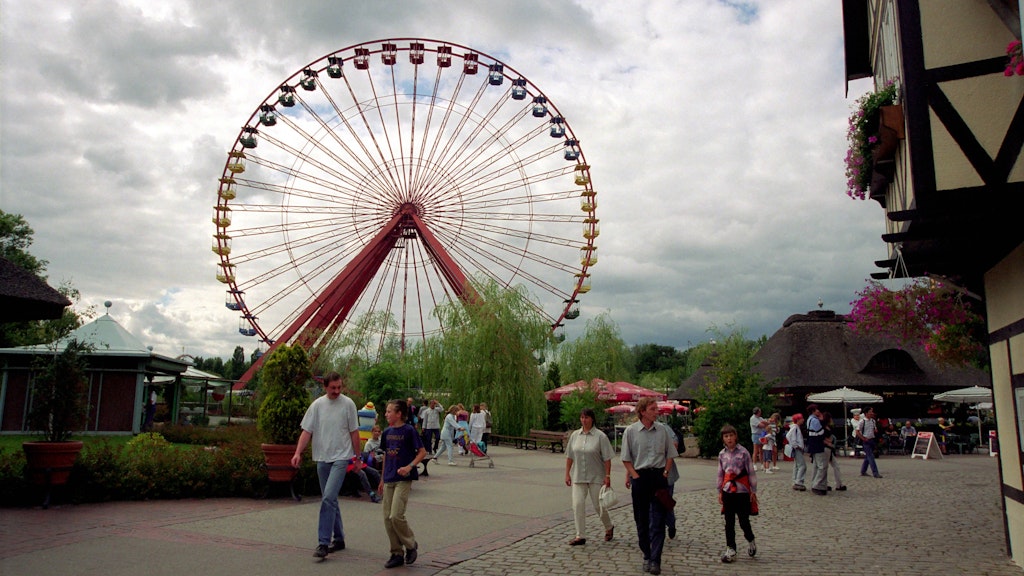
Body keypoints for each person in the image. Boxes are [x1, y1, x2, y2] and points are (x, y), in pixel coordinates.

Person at [291, 372, 361, 559]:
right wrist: (298, 452)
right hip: (322, 457)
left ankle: (323, 542)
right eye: (333, 388)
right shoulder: (317, 406)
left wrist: (358, 458)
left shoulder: (348, 405)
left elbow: (355, 432)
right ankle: (339, 538)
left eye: (339, 387)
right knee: (330, 499)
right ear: (325, 387)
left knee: (328, 497)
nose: (337, 391)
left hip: (341, 456)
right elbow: (307, 431)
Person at [621, 397, 678, 576]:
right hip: (640, 476)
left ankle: (656, 559)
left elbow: (671, 454)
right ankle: (646, 553)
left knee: (659, 520)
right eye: (653, 409)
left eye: (656, 408)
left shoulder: (662, 430)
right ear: (643, 411)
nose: (656, 411)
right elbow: (626, 457)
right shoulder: (630, 431)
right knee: (641, 520)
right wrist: (635, 475)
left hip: (659, 476)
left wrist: (666, 473)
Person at [377, 399, 427, 569]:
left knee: (396, 516)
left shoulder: (409, 431)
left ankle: (411, 544)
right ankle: (396, 552)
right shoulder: (386, 432)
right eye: (386, 411)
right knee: (387, 518)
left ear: (399, 414)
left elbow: (422, 452)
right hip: (389, 478)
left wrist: (409, 466)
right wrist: (382, 478)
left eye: (389, 411)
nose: (386, 414)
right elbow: (385, 455)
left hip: (403, 479)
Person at [564, 407, 615, 546]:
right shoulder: (575, 435)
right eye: (582, 417)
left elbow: (607, 458)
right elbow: (570, 456)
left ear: (592, 419)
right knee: (578, 504)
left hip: (596, 476)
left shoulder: (600, 436)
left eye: (586, 417)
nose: (584, 420)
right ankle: (580, 535)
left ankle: (609, 526)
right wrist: (567, 473)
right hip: (578, 476)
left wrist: (608, 475)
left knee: (599, 506)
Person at [717, 424, 757, 563]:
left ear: (735, 436)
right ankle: (731, 548)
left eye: (731, 435)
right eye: (726, 436)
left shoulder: (743, 452)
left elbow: (751, 471)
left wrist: (753, 490)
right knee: (729, 522)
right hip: (728, 490)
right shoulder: (722, 454)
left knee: (743, 521)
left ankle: (750, 539)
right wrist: (719, 491)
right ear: (723, 439)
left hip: (742, 491)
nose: (729, 439)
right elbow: (720, 473)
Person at [805, 403, 829, 496]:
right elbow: (821, 432)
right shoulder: (815, 420)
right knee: (822, 466)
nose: (818, 411)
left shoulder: (810, 419)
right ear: (813, 411)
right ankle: (817, 484)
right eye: (816, 410)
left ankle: (815, 482)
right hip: (817, 443)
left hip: (813, 443)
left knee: (816, 465)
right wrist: (822, 421)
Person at [822, 412, 846, 491]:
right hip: (826, 448)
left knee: (835, 466)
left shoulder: (828, 427)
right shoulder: (823, 428)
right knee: (825, 467)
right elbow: (822, 438)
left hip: (830, 449)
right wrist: (829, 442)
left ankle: (838, 484)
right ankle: (825, 483)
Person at [857, 406, 882, 478]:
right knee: (871, 456)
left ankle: (863, 471)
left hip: (872, 440)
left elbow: (874, 429)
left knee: (868, 456)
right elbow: (857, 431)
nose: (872, 413)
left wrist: (875, 431)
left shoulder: (873, 421)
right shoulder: (862, 421)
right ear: (866, 413)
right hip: (866, 441)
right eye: (870, 412)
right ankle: (875, 472)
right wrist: (863, 438)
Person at [786, 413, 806, 491]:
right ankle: (799, 482)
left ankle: (795, 481)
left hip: (797, 448)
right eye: (802, 418)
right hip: (797, 448)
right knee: (802, 466)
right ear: (798, 420)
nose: (803, 420)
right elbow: (790, 436)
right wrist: (796, 445)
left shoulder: (795, 427)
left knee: (797, 465)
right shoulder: (795, 428)